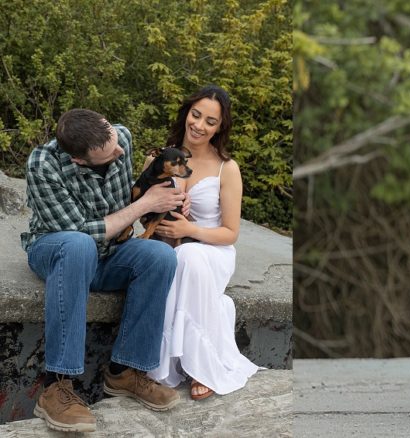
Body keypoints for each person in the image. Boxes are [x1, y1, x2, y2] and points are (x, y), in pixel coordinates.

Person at [22, 109, 184, 433]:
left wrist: (168, 199)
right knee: (79, 246)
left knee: (160, 256)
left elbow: (131, 206)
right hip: (57, 248)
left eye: (116, 143)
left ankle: (125, 372)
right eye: (111, 155)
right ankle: (57, 385)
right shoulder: (43, 165)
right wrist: (145, 203)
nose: (120, 151)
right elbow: (83, 232)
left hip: (110, 252)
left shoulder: (120, 137)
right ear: (81, 161)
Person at [146, 85, 260, 401]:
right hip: (168, 247)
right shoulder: (159, 158)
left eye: (210, 121)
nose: (199, 125)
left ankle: (201, 366)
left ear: (220, 127)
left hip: (213, 251)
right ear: (187, 113)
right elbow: (140, 207)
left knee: (189, 256)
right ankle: (161, 362)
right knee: (177, 257)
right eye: (196, 115)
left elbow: (230, 232)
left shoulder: (227, 168)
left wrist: (188, 228)